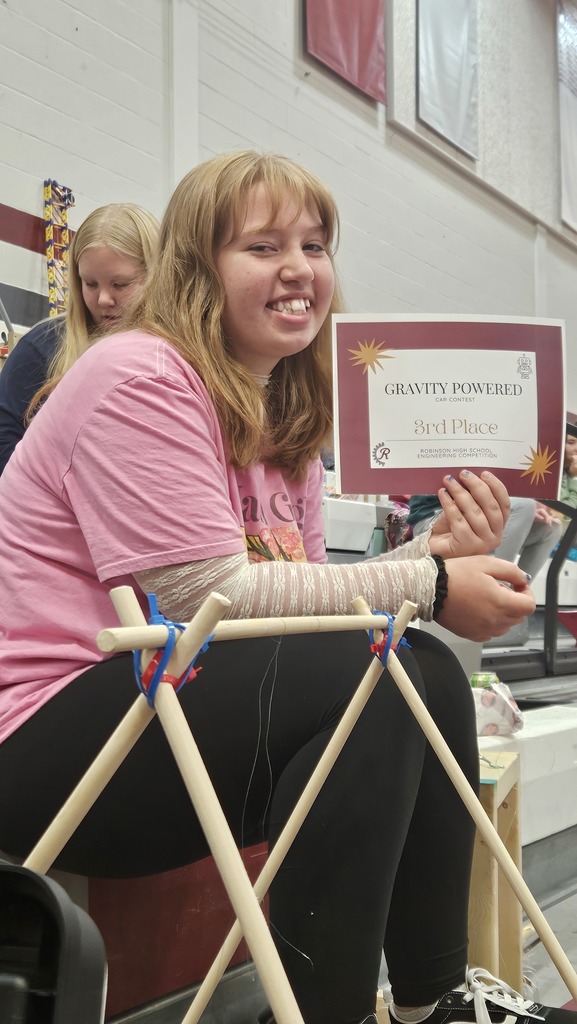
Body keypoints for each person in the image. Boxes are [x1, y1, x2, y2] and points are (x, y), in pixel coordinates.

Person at [0, 150, 569, 1024]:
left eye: (315, 242)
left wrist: (432, 548)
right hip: (43, 739)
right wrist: (428, 578)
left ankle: (430, 1002)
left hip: (155, 720)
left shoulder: (277, 414)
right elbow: (206, 595)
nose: (300, 267)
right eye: (262, 246)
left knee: (418, 667)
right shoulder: (137, 375)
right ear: (196, 265)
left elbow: (298, 602)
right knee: (368, 678)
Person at [0, 202, 159, 474]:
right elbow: (5, 435)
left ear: (157, 276)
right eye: (90, 283)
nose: (103, 299)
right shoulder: (44, 345)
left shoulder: (174, 355)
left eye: (120, 285)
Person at [408, 494, 559, 583]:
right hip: (433, 517)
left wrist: (527, 513)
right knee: (524, 505)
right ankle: (500, 585)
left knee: (552, 528)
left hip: (474, 516)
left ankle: (518, 589)